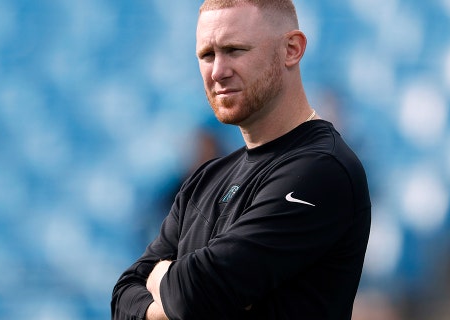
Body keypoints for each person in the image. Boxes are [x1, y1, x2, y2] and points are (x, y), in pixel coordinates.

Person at [111, 0, 371, 319]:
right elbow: (123, 297)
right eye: (207, 55)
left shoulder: (321, 170)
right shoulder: (203, 179)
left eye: (235, 50)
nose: (218, 71)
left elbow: (198, 292)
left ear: (291, 49)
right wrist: (176, 295)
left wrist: (163, 280)